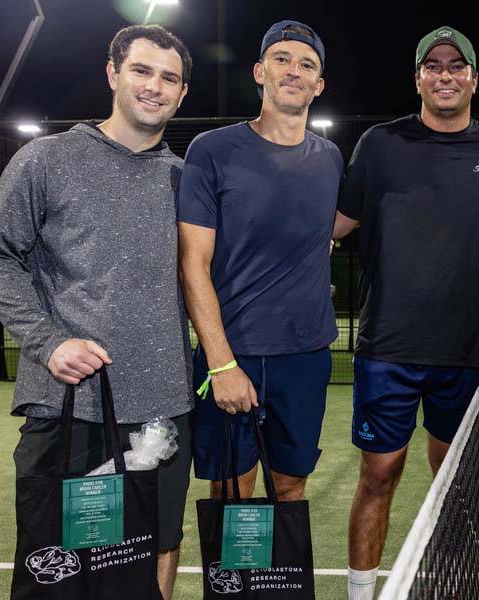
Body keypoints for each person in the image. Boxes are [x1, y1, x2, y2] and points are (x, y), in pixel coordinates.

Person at [0, 25, 193, 600]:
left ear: (182, 94)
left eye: (169, 78)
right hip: (67, 405)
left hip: (162, 409)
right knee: (59, 572)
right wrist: (48, 341)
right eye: (141, 70)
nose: (154, 86)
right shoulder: (45, 159)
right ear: (113, 74)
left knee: (156, 551)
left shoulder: (188, 178)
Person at [332, 26, 479, 600]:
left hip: (465, 352)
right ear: (418, 78)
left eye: (456, 66)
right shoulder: (379, 143)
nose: (445, 74)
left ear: (473, 78)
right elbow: (334, 225)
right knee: (378, 476)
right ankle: (359, 592)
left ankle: (469, 589)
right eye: (433, 66)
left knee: (460, 485)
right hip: (387, 349)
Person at [177, 21, 342, 503]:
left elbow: (330, 225)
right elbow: (193, 264)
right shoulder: (212, 150)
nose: (294, 70)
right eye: (282, 59)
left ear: (319, 84)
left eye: (306, 64)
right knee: (231, 488)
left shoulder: (330, 157)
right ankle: (235, 585)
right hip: (233, 354)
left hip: (306, 356)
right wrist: (221, 362)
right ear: (259, 71)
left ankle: (278, 583)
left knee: (291, 487)